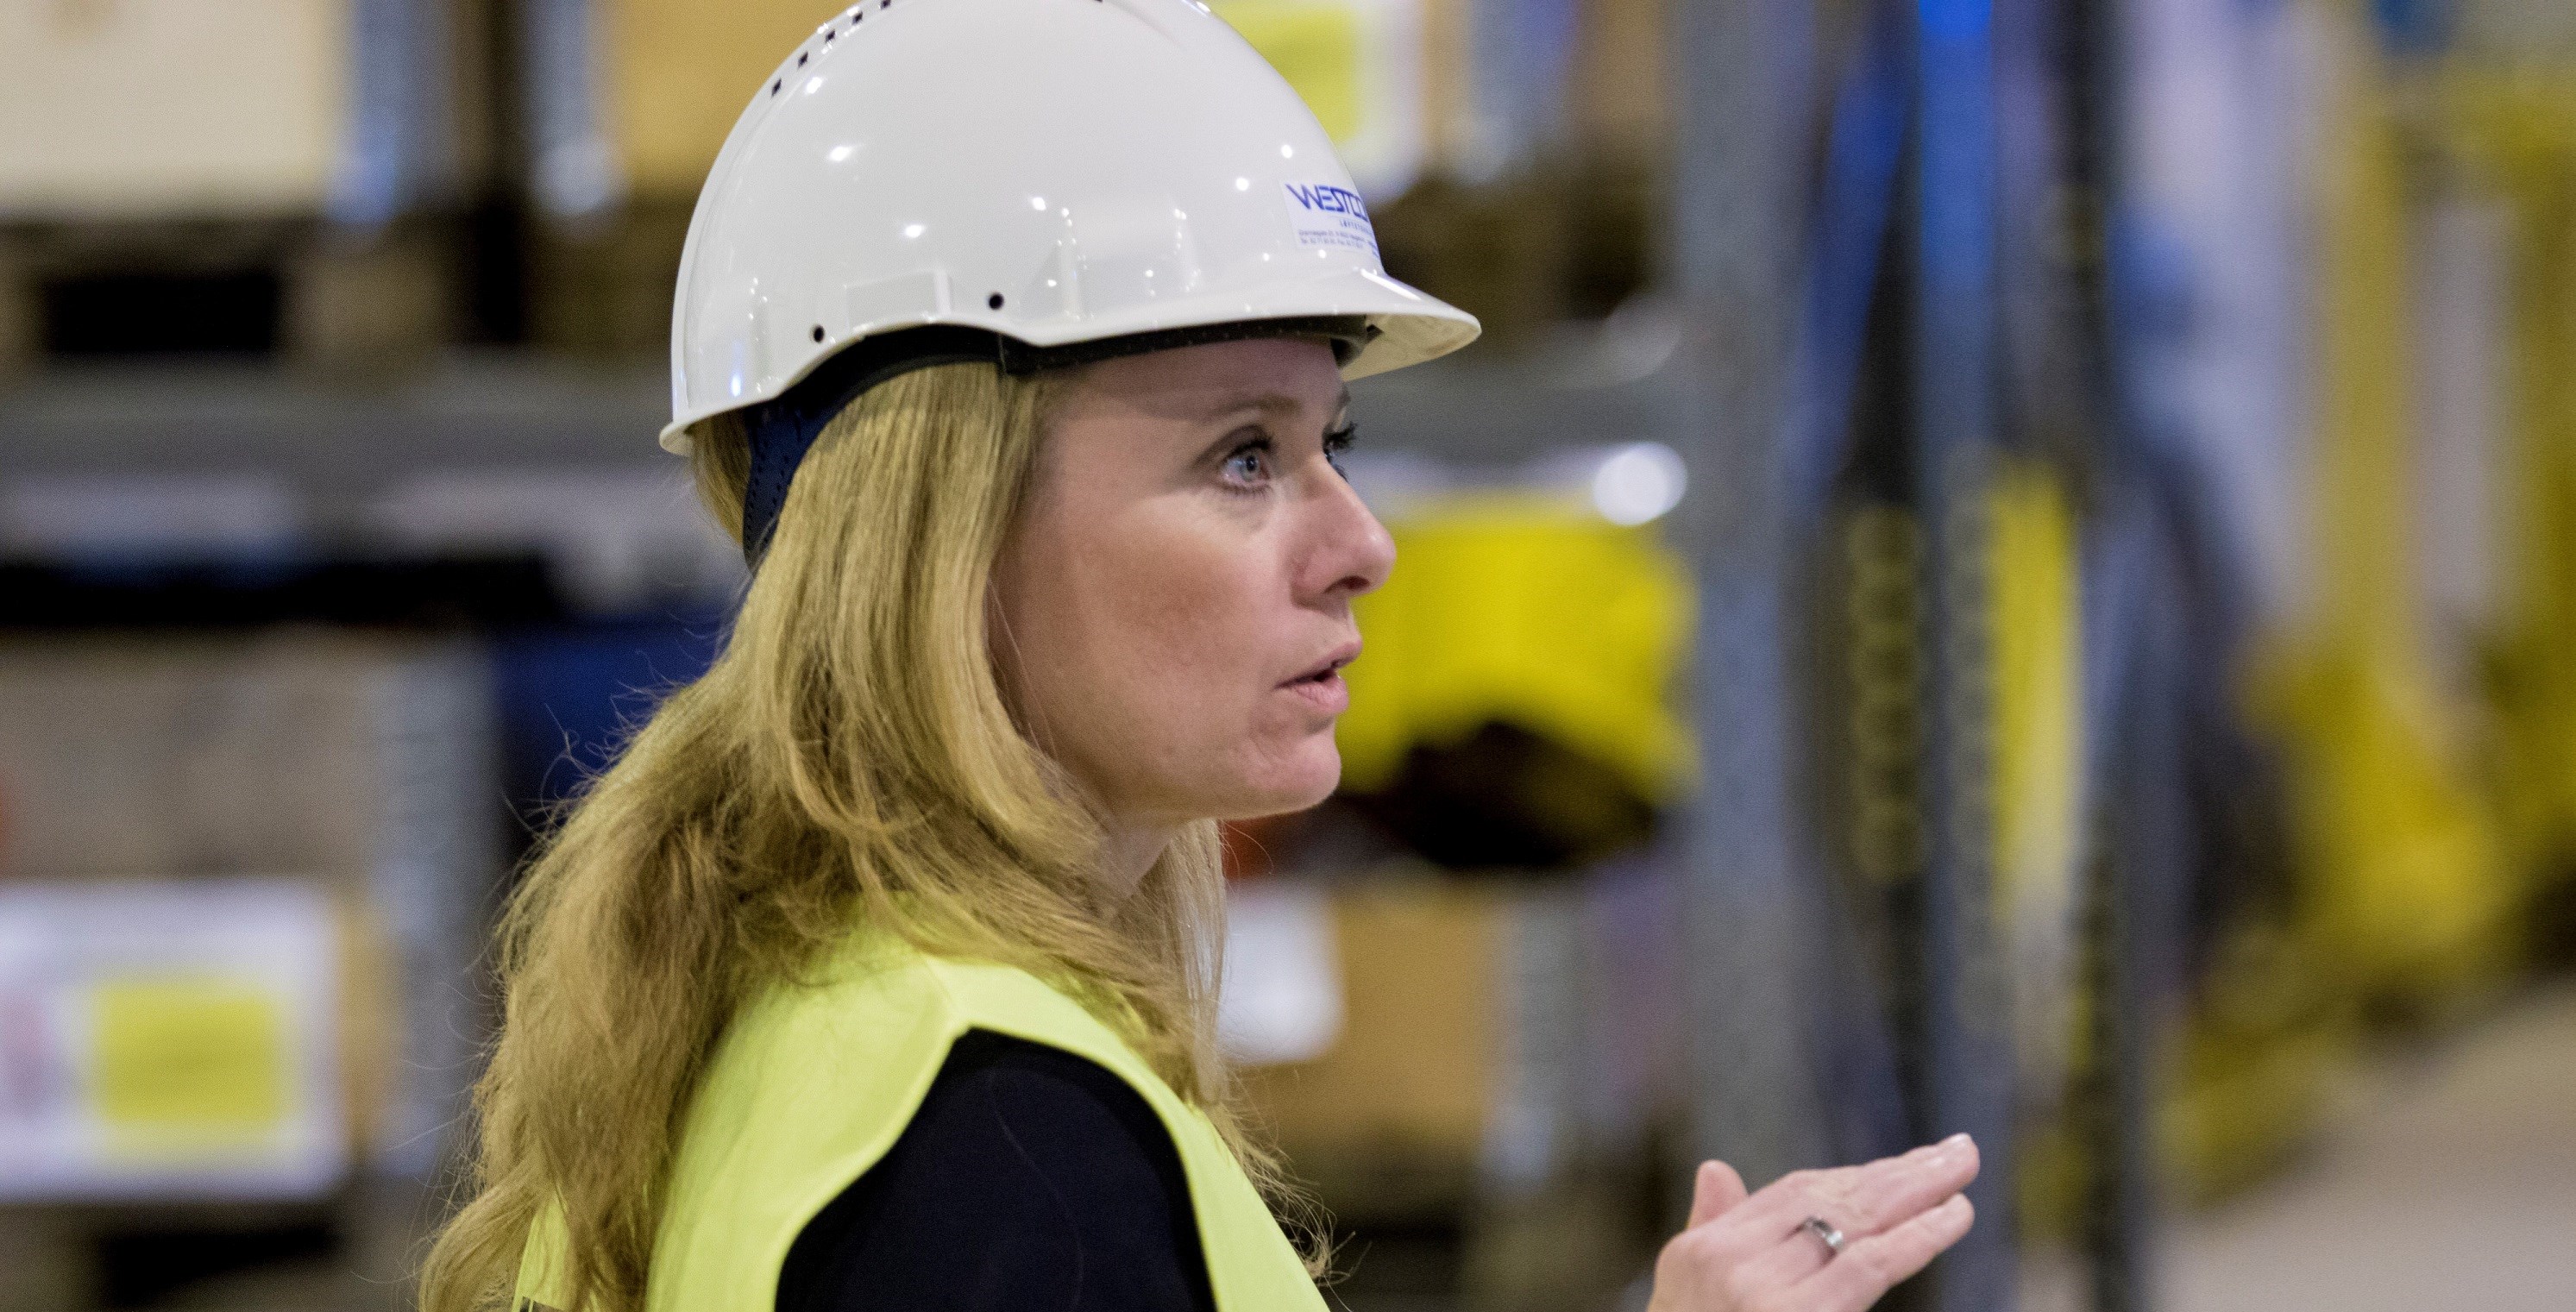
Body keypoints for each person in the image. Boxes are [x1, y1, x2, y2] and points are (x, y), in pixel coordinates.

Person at [418, 2, 1979, 1311]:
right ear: (944, 536)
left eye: (1331, 441)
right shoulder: (1003, 1155)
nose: (1359, 539)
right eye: (1243, 456)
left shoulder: (784, 1039)